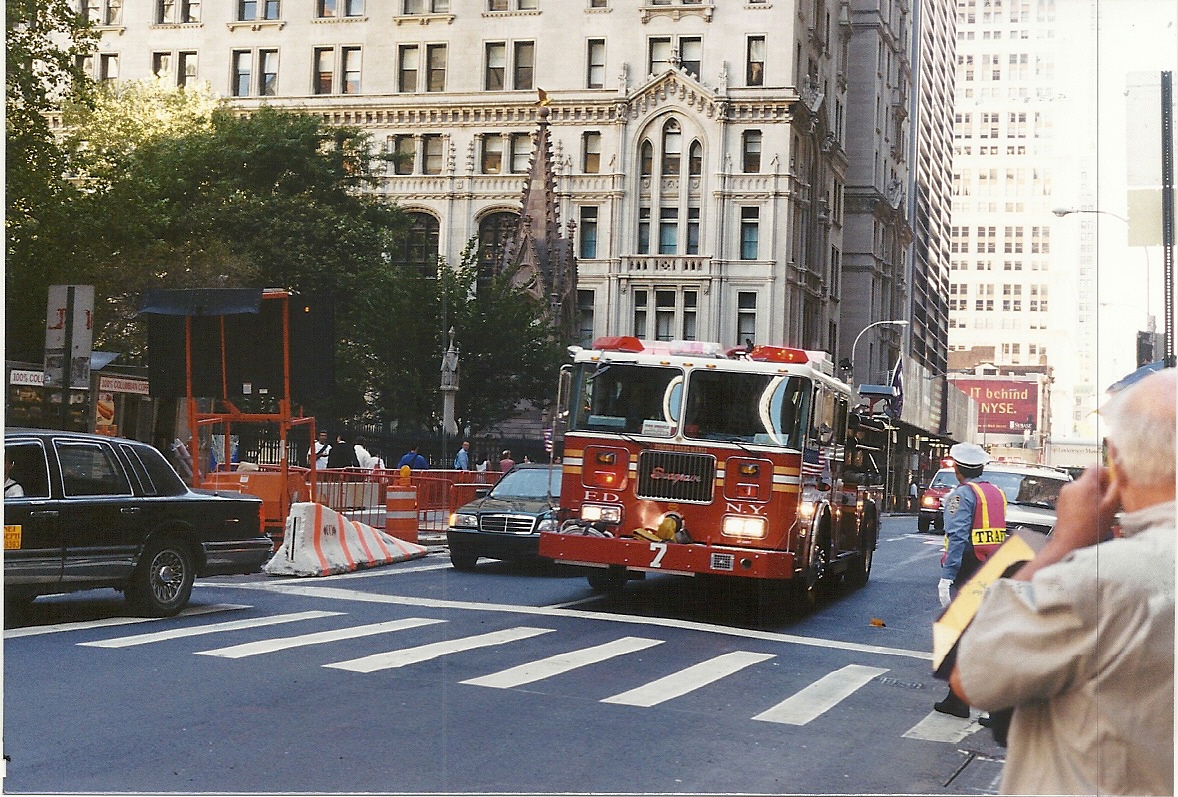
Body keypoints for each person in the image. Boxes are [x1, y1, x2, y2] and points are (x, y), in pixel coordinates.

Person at [947, 368, 1175, 795]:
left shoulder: (1101, 581)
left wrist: (1064, 543)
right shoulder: (993, 492)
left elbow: (970, 675)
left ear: (1116, 462)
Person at [933, 441, 1006, 719]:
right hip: (991, 567)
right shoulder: (995, 492)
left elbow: (957, 536)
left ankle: (987, 705)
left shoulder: (962, 495)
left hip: (968, 568)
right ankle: (958, 699)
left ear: (957, 469)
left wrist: (947, 576)